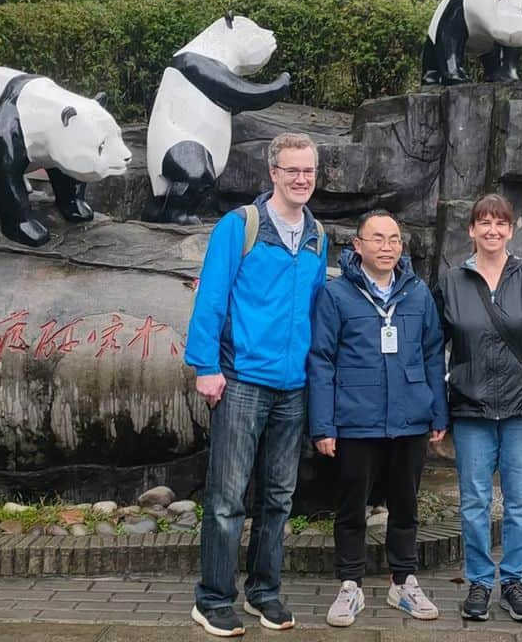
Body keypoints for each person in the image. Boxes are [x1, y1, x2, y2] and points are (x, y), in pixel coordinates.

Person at [185, 132, 329, 637]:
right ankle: (214, 598)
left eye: (308, 170)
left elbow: (314, 310)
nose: (301, 179)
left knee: (279, 497)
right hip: (243, 380)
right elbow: (212, 297)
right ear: (273, 172)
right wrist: (206, 365)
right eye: (292, 170)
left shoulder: (317, 235)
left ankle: (264, 593)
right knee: (226, 496)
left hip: (293, 387)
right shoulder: (240, 226)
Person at [433, 193, 522, 623]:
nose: (492, 230)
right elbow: (433, 347)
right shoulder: (452, 281)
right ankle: (478, 581)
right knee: (474, 502)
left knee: (519, 503)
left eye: (501, 223)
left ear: (512, 229)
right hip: (471, 410)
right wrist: (438, 409)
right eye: (484, 222)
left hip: (521, 412)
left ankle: (513, 580)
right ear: (471, 230)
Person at [307, 210, 448, 627]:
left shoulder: (417, 293)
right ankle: (349, 587)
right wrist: (323, 425)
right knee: (351, 507)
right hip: (356, 421)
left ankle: (403, 582)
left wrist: (437, 409)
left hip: (409, 420)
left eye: (394, 239)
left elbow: (431, 353)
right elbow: (321, 360)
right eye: (377, 239)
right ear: (358, 245)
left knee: (406, 505)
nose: (387, 247)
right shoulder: (336, 295)